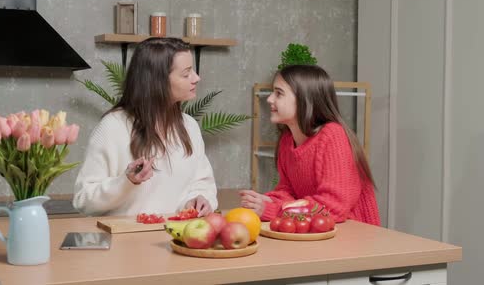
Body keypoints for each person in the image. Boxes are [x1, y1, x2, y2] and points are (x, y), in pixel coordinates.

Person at [73, 37, 218, 217]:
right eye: (186, 73)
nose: (197, 78)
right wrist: (126, 181)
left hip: (178, 239)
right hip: (125, 242)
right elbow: (83, 200)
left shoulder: (189, 126)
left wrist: (200, 198)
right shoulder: (112, 127)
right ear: (158, 81)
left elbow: (202, 183)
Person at [240, 65, 380, 226]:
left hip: (352, 236)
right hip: (317, 231)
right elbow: (288, 191)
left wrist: (273, 210)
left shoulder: (333, 136)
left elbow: (334, 206)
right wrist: (269, 200)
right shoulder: (287, 140)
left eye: (279, 93)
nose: (270, 99)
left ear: (304, 99)